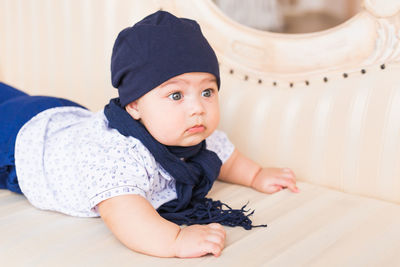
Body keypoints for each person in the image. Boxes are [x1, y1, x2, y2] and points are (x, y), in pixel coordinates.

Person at [0, 11, 299, 258]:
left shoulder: (197, 138)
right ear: (134, 105)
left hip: (63, 116)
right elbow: (124, 215)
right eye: (176, 96)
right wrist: (176, 239)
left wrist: (257, 175)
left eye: (207, 91)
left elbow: (228, 159)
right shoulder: (120, 155)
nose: (198, 108)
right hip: (22, 143)